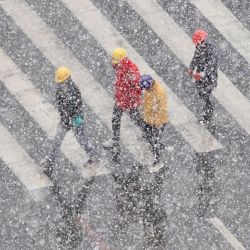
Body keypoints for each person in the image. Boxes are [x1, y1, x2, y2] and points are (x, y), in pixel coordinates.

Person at [43, 67, 95, 175]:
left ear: (67, 80)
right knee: (57, 141)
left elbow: (77, 106)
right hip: (66, 120)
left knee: (82, 139)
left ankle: (92, 156)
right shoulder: (60, 91)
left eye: (62, 82)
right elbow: (60, 105)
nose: (60, 84)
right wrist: (65, 116)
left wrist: (72, 118)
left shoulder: (74, 90)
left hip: (76, 119)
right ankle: (49, 163)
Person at [103, 48, 143, 162]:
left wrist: (128, 99)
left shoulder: (131, 71)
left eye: (116, 62)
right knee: (115, 119)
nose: (114, 64)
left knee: (136, 119)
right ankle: (115, 139)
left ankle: (148, 134)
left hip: (130, 101)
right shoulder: (121, 68)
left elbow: (136, 87)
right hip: (122, 100)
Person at [188, 29, 219, 124]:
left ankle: (207, 117)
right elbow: (195, 58)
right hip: (201, 77)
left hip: (209, 78)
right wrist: (191, 67)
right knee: (202, 94)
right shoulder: (199, 47)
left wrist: (201, 75)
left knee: (206, 97)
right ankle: (207, 113)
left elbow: (211, 66)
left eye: (197, 41)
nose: (196, 44)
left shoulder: (210, 50)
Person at [140, 74, 168, 167]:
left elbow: (162, 109)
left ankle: (157, 159)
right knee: (149, 137)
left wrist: (158, 123)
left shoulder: (159, 92)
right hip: (148, 119)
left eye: (146, 88)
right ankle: (157, 147)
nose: (145, 90)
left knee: (154, 140)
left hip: (158, 121)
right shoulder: (148, 90)